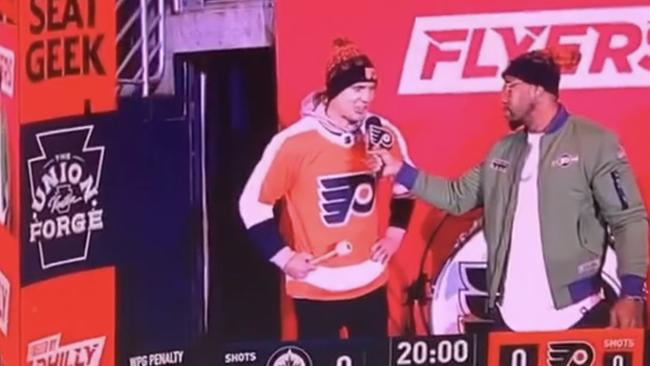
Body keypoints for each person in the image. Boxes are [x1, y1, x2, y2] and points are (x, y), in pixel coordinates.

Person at [371, 48, 648, 331]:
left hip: (576, 314)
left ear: (538, 90)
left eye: (511, 85)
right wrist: (401, 169)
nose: (503, 95)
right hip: (508, 318)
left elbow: (629, 220)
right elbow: (457, 196)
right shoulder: (503, 151)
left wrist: (632, 292)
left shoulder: (594, 143)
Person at [239, 38, 414, 339]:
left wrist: (395, 235)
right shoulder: (294, 142)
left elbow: (407, 184)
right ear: (334, 90)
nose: (366, 99)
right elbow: (252, 205)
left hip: (369, 281)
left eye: (371, 90)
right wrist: (283, 257)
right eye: (357, 90)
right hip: (317, 287)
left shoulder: (381, 132)